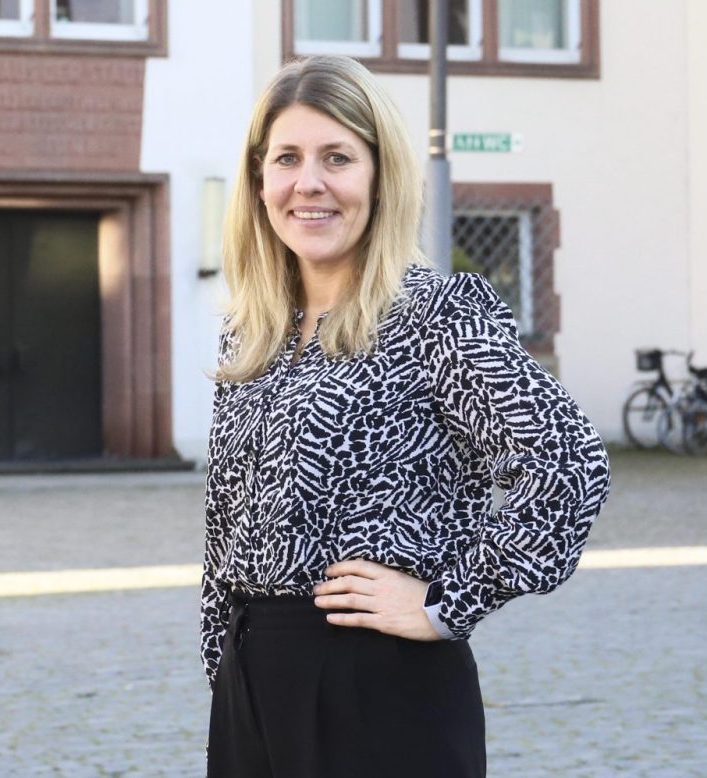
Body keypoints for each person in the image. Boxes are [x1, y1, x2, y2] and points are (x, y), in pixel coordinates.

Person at [200, 54, 611, 778]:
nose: (309, 183)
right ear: (259, 179)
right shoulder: (253, 333)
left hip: (377, 688)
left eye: (338, 158)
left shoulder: (434, 317)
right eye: (287, 158)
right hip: (254, 691)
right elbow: (225, 525)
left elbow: (568, 463)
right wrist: (223, 660)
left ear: (380, 176)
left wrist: (447, 602)